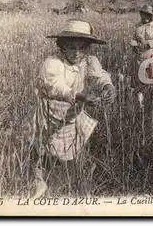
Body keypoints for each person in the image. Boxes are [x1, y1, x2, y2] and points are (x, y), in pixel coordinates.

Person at [31, 19, 116, 197]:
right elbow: (54, 86)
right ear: (62, 46)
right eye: (71, 47)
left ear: (88, 48)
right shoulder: (53, 63)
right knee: (46, 147)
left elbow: (99, 76)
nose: (77, 53)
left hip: (71, 114)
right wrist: (79, 96)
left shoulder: (89, 61)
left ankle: (66, 184)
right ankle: (39, 179)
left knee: (70, 150)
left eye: (82, 48)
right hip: (51, 113)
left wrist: (108, 86)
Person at [130, 5, 153, 88]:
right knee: (144, 75)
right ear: (141, 15)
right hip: (142, 54)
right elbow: (134, 39)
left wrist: (147, 44)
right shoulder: (138, 26)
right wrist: (134, 46)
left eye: (147, 15)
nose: (145, 16)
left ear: (151, 16)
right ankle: (146, 90)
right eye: (143, 14)